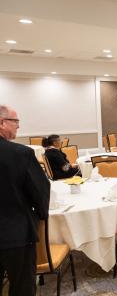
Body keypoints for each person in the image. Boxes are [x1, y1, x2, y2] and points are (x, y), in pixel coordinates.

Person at [0, 105, 50, 296]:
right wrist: (41, 216)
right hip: (15, 233)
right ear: (3, 123)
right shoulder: (20, 153)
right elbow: (40, 191)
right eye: (16, 121)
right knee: (22, 286)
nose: (18, 126)